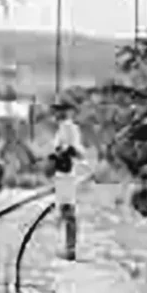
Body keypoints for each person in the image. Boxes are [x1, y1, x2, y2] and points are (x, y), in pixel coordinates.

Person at [49, 98, 86, 260]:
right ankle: (69, 248)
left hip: (68, 173)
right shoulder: (63, 128)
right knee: (66, 209)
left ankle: (70, 249)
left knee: (68, 210)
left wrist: (64, 151)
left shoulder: (70, 128)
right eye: (56, 110)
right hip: (63, 173)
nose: (57, 113)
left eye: (60, 110)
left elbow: (78, 151)